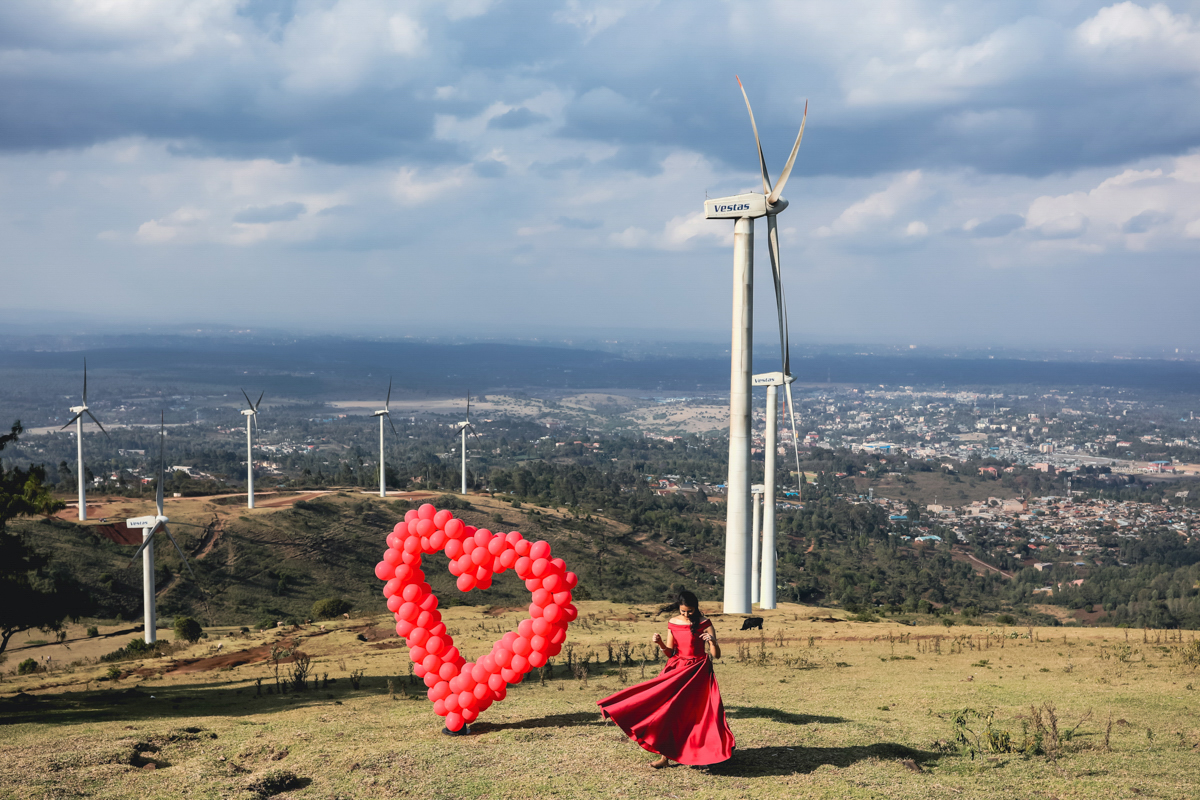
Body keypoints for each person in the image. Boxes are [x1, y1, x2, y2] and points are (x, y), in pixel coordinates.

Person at [597, 591, 734, 768]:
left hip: (698, 671)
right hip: (676, 669)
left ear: (696, 607)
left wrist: (713, 642)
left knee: (699, 714)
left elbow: (716, 656)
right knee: (667, 711)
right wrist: (660, 643)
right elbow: (670, 652)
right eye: (683, 611)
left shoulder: (705, 623)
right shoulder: (673, 623)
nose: (686, 614)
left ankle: (701, 754)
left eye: (690, 611)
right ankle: (664, 757)